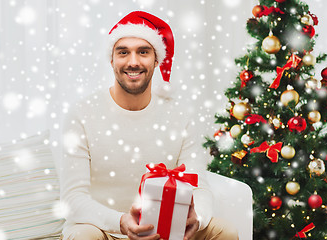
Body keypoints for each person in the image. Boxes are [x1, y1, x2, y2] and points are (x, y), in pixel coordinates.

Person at [60, 11, 238, 240]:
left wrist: (197, 218)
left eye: (143, 52)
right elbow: (73, 199)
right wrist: (121, 222)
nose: (133, 62)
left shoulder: (180, 115)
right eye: (123, 52)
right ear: (111, 59)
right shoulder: (82, 114)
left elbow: (198, 184)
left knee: (225, 232)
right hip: (105, 229)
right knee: (83, 236)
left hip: (166, 228)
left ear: (156, 60)